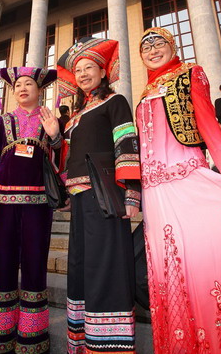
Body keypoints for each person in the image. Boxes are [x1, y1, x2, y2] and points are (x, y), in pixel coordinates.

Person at [137, 26, 221, 353]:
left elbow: (209, 124)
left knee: (202, 262)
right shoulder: (143, 91)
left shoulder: (190, 74)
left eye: (159, 44)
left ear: (172, 45)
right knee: (171, 274)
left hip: (186, 181)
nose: (153, 50)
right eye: (146, 47)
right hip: (154, 194)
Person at [57, 37, 141, 354]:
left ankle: (109, 345)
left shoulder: (115, 102)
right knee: (81, 266)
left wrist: (132, 192)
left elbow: (127, 143)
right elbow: (70, 155)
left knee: (105, 265)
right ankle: (83, 341)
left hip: (104, 195)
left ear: (103, 73)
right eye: (78, 70)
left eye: (89, 68)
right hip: (79, 198)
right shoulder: (78, 113)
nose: (82, 74)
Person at [0, 66, 60, 354]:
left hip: (38, 205)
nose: (22, 89)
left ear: (40, 90)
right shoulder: (2, 121)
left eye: (28, 84)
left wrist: (56, 137)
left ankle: (32, 339)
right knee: (2, 266)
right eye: (18, 85)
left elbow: (62, 159)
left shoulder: (51, 118)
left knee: (35, 267)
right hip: (3, 204)